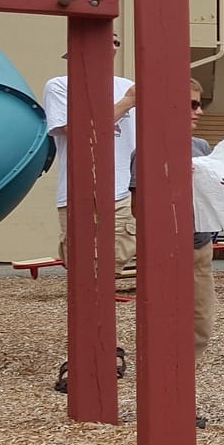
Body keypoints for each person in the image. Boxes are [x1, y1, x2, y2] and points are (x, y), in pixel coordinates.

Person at [42, 31, 138, 273]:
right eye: (105, 38)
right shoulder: (60, 86)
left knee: (112, 265)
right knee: (81, 267)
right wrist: (126, 103)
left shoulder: (127, 87)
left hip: (122, 190)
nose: (112, 45)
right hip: (77, 192)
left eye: (116, 40)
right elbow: (76, 131)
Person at [187, 78, 215, 428]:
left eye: (200, 103)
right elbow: (138, 209)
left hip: (200, 248)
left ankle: (185, 396)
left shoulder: (202, 147)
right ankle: (171, 397)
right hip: (166, 253)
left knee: (200, 326)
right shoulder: (144, 149)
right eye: (192, 105)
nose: (199, 111)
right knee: (167, 329)